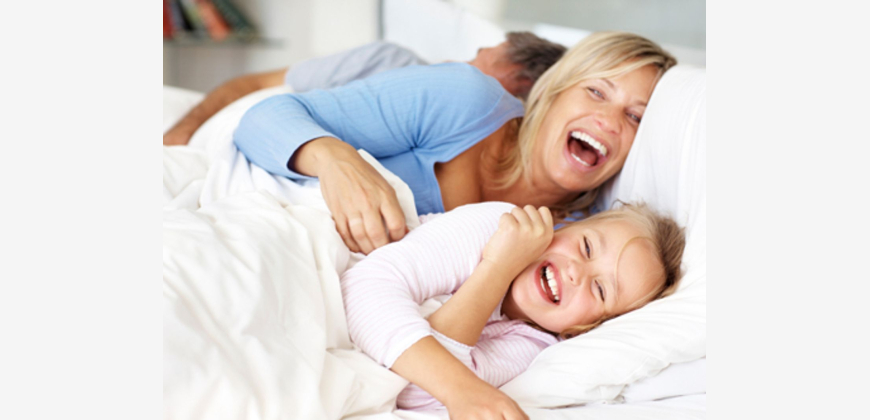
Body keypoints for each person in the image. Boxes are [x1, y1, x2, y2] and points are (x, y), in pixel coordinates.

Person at [231, 32, 677, 255]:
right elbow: (261, 119)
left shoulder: (579, 238)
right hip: (255, 226)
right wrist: (336, 160)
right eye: (596, 91)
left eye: (635, 116)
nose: (608, 121)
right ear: (552, 91)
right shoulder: (465, 98)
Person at [341, 201, 686, 416]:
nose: (575, 272)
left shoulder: (534, 347)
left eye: (600, 289)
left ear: (586, 328)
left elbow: (416, 390)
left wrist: (458, 388)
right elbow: (363, 287)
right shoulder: (500, 226)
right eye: (586, 247)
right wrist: (498, 266)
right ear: (562, 226)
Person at [162, 32, 567, 146]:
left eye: (479, 66)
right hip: (228, 132)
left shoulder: (478, 147)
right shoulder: (389, 60)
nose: (459, 68)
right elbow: (250, 84)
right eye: (474, 57)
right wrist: (182, 134)